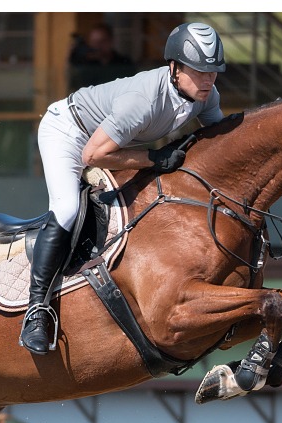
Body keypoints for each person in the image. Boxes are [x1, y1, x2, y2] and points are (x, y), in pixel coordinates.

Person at [20, 22, 226, 354]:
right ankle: (36, 312)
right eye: (199, 71)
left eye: (213, 72)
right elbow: (94, 154)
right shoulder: (142, 100)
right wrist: (154, 157)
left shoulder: (206, 96)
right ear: (174, 67)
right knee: (68, 209)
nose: (207, 80)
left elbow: (220, 144)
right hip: (70, 133)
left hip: (109, 142)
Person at [68, 22, 137, 90]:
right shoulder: (85, 64)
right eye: (94, 42)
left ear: (111, 41)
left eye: (103, 41)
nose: (98, 46)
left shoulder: (124, 63)